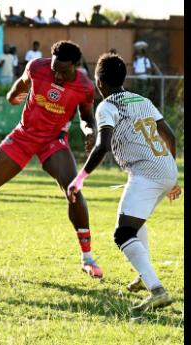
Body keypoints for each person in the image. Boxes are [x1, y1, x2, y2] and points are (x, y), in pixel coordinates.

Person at [0, 40, 103, 279]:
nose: (58, 76)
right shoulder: (37, 67)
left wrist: (90, 132)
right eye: (55, 70)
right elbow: (19, 86)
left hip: (53, 141)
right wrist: (12, 96)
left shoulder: (85, 86)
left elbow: (87, 117)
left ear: (77, 66)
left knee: (74, 191)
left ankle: (88, 258)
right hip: (23, 136)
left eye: (64, 71)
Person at [67, 53, 181, 311]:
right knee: (134, 221)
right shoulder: (142, 100)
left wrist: (79, 178)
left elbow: (103, 145)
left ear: (99, 82)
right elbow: (170, 135)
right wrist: (170, 171)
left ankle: (157, 290)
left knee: (122, 233)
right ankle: (144, 276)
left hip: (146, 173)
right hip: (165, 168)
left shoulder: (106, 106)